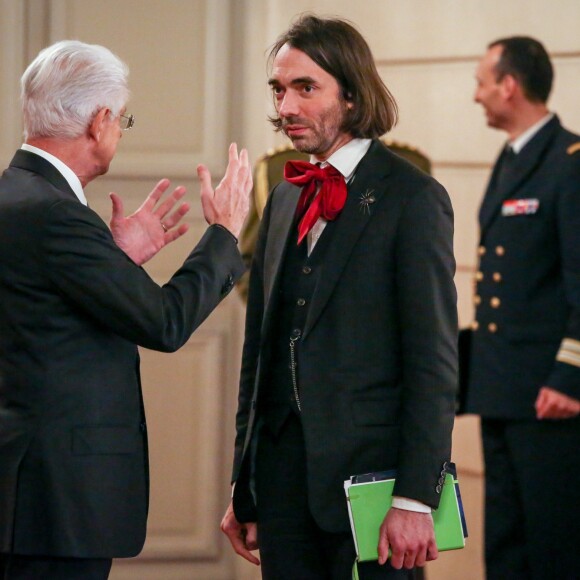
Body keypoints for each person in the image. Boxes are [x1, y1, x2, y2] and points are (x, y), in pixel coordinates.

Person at [0, 40, 251, 579]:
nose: (118, 131)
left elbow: (43, 313)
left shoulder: (17, 195)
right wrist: (226, 234)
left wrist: (112, 261)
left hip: (29, 499)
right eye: (123, 120)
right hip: (53, 506)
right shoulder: (57, 216)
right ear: (100, 121)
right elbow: (165, 321)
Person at [221, 15, 458, 580]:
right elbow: (260, 356)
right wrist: (244, 483)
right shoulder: (282, 197)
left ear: (351, 96)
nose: (286, 107)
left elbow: (432, 361)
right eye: (279, 89)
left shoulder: (414, 197)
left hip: (373, 492)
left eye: (306, 88)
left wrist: (415, 498)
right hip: (281, 485)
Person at [465, 36, 580, 579]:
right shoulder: (513, 158)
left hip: (549, 395)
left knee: (553, 546)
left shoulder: (569, 163)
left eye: (482, 83)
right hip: (503, 386)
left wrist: (570, 375)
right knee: (507, 546)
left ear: (509, 86)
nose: (477, 96)